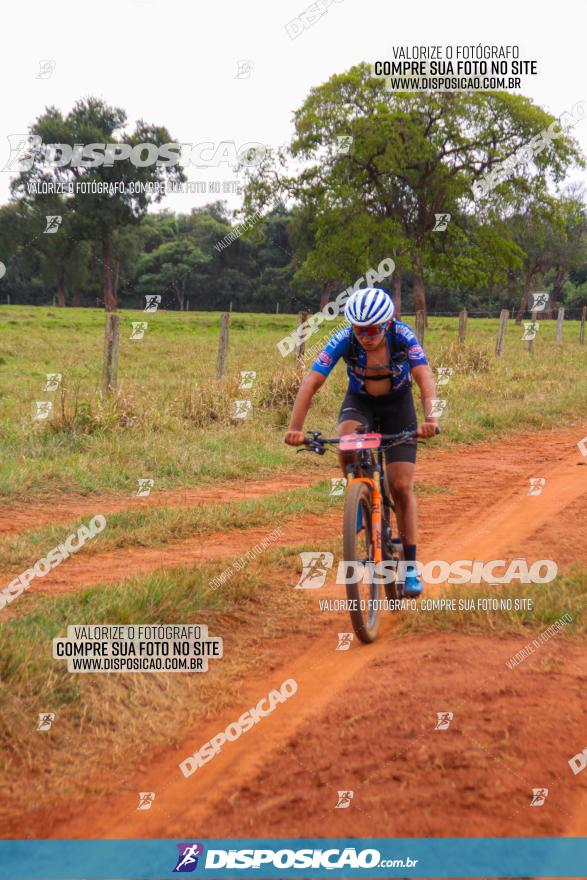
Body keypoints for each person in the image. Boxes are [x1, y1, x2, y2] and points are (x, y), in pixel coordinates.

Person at [284, 287, 438, 596]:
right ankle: (358, 493)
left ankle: (410, 567)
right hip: (360, 402)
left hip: (399, 407)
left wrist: (431, 420)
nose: (365, 336)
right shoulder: (345, 339)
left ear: (386, 324)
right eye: (358, 329)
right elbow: (312, 381)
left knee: (401, 485)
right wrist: (295, 429)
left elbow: (424, 378)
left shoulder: (403, 335)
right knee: (345, 440)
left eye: (371, 330)